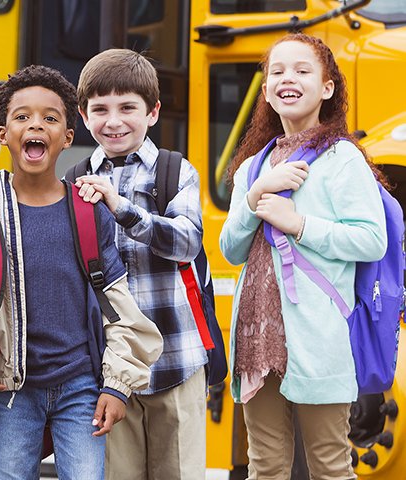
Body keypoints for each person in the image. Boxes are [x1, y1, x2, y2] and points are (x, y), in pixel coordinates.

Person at [0, 65, 162, 480]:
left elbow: (120, 308)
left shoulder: (88, 213)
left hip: (81, 386)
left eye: (50, 117)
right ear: (3, 134)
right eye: (22, 116)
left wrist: (118, 385)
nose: (36, 125)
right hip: (10, 390)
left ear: (67, 137)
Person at [219, 33, 387, 479]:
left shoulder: (342, 158)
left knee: (329, 463)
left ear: (327, 88)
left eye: (301, 70)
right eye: (277, 71)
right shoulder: (253, 167)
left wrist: (299, 224)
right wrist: (255, 195)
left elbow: (372, 240)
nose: (287, 79)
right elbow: (231, 250)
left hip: (318, 338)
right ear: (266, 89)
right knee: (265, 465)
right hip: (255, 338)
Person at [71, 49, 208, 480]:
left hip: (176, 357)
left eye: (127, 107)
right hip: (108, 369)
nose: (113, 121)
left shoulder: (174, 170)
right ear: (83, 116)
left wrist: (123, 209)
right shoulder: (72, 179)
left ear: (153, 112)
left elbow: (188, 241)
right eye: (100, 110)